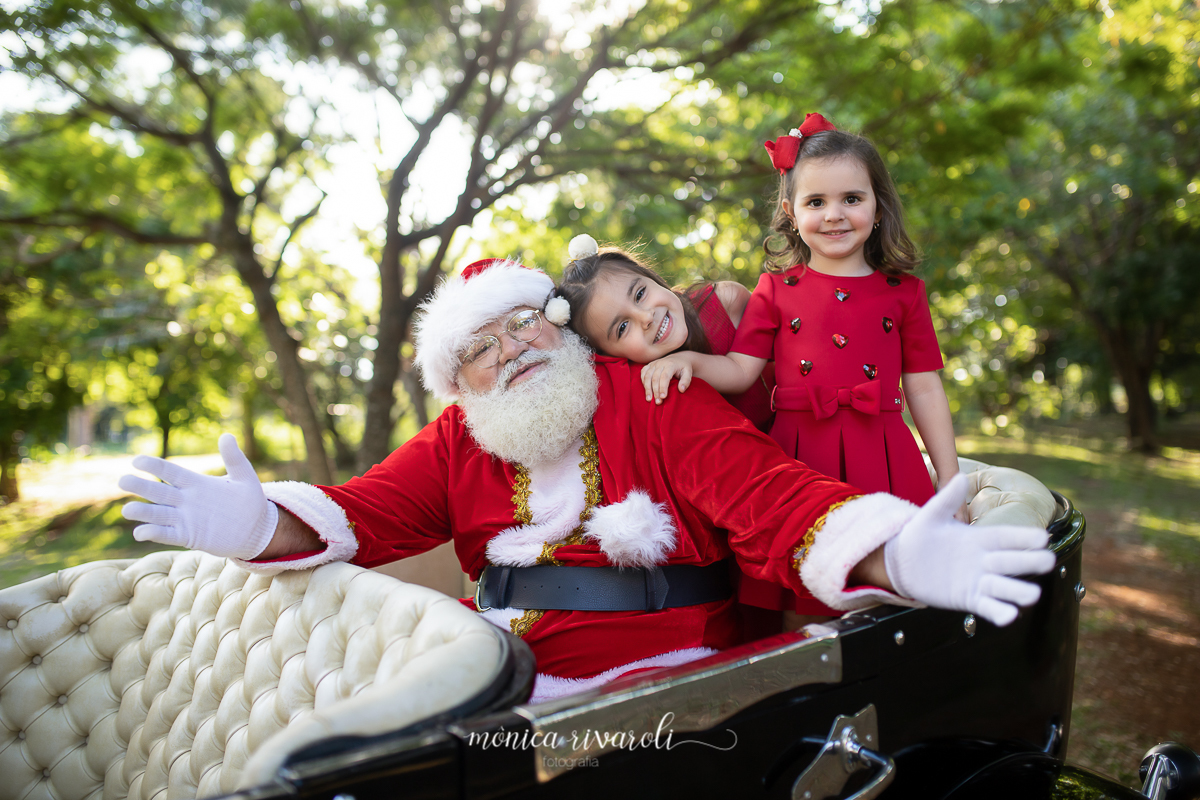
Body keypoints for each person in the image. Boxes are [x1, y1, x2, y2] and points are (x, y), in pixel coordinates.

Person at [119, 257, 1054, 701]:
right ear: (461, 382)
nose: (511, 351)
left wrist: (889, 550)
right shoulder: (457, 439)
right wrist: (257, 524)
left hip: (665, 678)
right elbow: (363, 513)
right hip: (491, 673)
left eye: (524, 323)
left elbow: (769, 497)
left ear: (559, 326)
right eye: (479, 349)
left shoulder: (652, 394)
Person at [638, 113, 965, 523]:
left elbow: (924, 388)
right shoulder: (773, 291)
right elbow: (740, 370)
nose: (833, 214)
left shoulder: (906, 293)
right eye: (816, 202)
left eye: (851, 198)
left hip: (887, 459)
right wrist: (688, 361)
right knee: (807, 563)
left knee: (897, 567)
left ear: (878, 204)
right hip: (798, 460)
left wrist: (951, 481)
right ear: (791, 212)